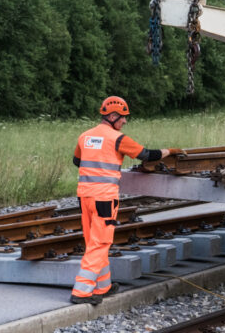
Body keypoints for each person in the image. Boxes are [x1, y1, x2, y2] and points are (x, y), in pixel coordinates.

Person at [70, 96, 173, 305]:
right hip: (104, 198)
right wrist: (169, 152)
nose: (125, 122)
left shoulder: (85, 136)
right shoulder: (118, 139)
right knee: (101, 243)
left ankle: (103, 286)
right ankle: (81, 291)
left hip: (85, 196)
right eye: (123, 118)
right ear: (113, 116)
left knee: (93, 241)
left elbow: (77, 161)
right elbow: (146, 155)